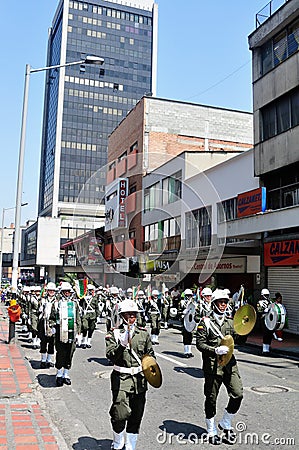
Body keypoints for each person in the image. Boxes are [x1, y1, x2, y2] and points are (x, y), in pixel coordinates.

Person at [196, 289, 246, 445]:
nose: (223, 305)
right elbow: (199, 344)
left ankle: (226, 421)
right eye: (220, 302)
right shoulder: (205, 322)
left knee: (237, 394)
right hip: (213, 366)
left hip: (230, 364)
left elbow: (240, 341)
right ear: (214, 304)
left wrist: (244, 326)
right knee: (211, 399)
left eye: (225, 302)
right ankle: (211, 430)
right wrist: (214, 350)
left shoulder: (231, 322)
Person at [105, 299, 155, 450]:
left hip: (139, 379)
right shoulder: (113, 333)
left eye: (134, 314)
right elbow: (110, 355)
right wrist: (121, 345)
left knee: (136, 414)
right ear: (122, 316)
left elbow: (150, 355)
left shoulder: (143, 334)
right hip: (121, 378)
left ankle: (130, 445)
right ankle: (118, 441)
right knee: (120, 413)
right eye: (128, 314)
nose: (132, 318)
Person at [50, 281, 80, 386]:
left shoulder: (75, 304)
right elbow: (52, 317)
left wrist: (79, 333)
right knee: (60, 353)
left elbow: (78, 319)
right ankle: (59, 374)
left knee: (70, 353)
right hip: (60, 332)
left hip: (72, 332)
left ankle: (66, 374)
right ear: (62, 292)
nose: (67, 293)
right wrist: (53, 326)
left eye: (68, 291)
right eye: (65, 291)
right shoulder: (56, 303)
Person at [38, 282, 57, 368]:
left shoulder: (58, 300)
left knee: (51, 342)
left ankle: (49, 360)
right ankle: (43, 360)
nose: (51, 292)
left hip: (53, 323)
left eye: (53, 290)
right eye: (50, 290)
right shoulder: (43, 299)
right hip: (43, 322)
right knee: (43, 342)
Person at [80, 284, 100, 349]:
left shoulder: (95, 298)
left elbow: (97, 307)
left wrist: (97, 316)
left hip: (93, 314)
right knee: (85, 327)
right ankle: (84, 341)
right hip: (85, 314)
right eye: (90, 290)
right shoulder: (84, 297)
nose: (92, 291)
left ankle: (88, 341)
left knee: (91, 328)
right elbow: (80, 304)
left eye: (92, 290)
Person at [257, 288, 274, 356]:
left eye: (267, 295)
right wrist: (264, 310)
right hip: (263, 319)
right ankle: (264, 349)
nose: (266, 296)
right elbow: (259, 310)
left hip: (270, 319)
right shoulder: (259, 302)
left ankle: (268, 347)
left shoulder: (270, 302)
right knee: (266, 334)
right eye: (265, 295)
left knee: (270, 334)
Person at [180, 288, 195, 358]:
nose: (189, 297)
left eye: (190, 295)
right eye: (187, 295)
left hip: (191, 320)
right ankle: (186, 351)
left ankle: (189, 351)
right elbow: (179, 311)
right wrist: (183, 312)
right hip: (185, 320)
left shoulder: (193, 302)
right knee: (186, 335)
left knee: (190, 335)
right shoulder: (182, 302)